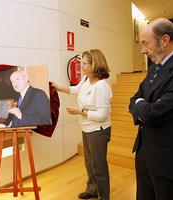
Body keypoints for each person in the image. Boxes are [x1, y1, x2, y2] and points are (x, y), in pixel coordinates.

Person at [53, 49, 112, 200]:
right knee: (89, 162)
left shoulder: (102, 86)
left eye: (84, 64)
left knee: (99, 165)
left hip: (98, 130)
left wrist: (81, 111)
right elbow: (75, 89)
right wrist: (58, 87)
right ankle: (92, 190)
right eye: (81, 63)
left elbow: (102, 115)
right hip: (86, 127)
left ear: (95, 64)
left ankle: (104, 196)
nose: (81, 67)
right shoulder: (86, 80)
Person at [129, 18, 173, 200]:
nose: (142, 50)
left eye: (145, 43)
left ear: (164, 40)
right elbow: (133, 99)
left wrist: (142, 107)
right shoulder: (154, 67)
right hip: (144, 152)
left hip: (167, 161)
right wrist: (143, 106)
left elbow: (152, 113)